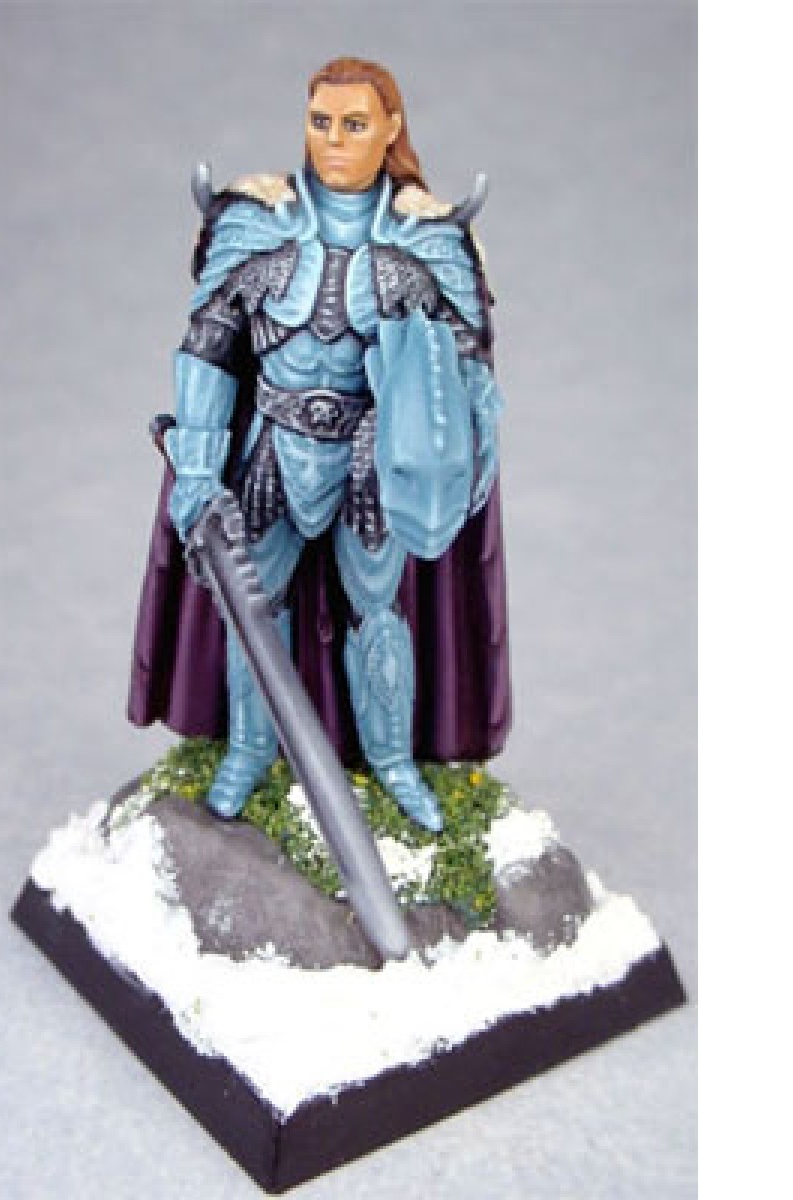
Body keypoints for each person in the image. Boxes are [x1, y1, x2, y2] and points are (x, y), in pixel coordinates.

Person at [127, 57, 511, 831]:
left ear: (391, 129)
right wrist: (198, 468)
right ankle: (247, 751)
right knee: (254, 607)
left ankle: (393, 762)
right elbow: (208, 347)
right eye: (321, 122)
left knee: (379, 611)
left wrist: (465, 450)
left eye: (355, 124)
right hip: (272, 443)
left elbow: (466, 362)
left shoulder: (426, 238)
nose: (334, 139)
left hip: (370, 455)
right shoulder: (256, 222)